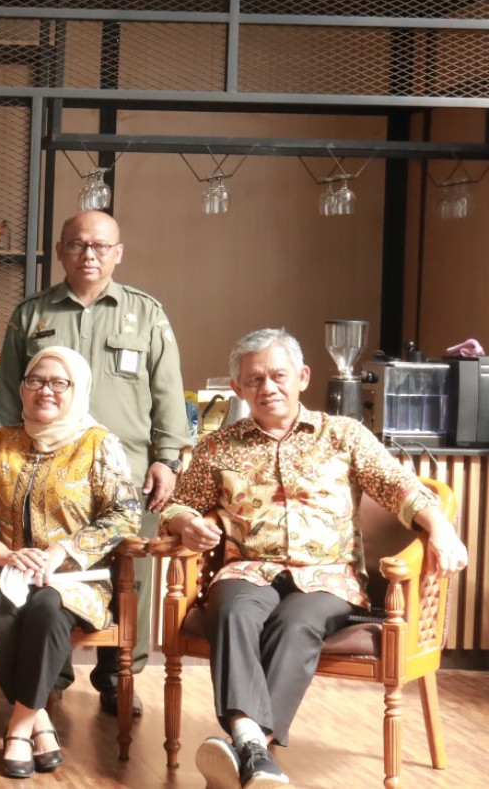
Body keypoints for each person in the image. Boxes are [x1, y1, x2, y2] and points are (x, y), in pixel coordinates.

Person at [164, 328, 468, 789]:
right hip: (247, 567)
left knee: (297, 623)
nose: (268, 387)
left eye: (278, 376)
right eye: (255, 379)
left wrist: (441, 528)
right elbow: (178, 506)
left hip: (328, 577)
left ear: (302, 377)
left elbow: (400, 488)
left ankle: (249, 742)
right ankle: (255, 749)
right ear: (238, 388)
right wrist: (186, 523)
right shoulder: (217, 447)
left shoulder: (343, 435)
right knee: (231, 611)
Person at [0, 209, 189, 715]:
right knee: (44, 563)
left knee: (130, 569)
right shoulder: (32, 314)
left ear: (118, 253)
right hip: (46, 469)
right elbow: (9, 394)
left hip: (127, 470)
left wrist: (167, 459)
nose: (89, 254)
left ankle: (120, 676)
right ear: (60, 250)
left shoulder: (145, 314)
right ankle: (48, 675)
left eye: (101, 246)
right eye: (78, 244)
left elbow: (168, 393)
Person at [0, 347, 141, 778]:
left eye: (59, 382)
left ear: (79, 389)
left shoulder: (98, 443)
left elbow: (125, 514)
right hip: (7, 569)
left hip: (75, 576)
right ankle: (40, 721)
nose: (45, 391)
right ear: (22, 388)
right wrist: (3, 552)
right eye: (35, 380)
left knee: (47, 607)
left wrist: (62, 551)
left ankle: (19, 727)